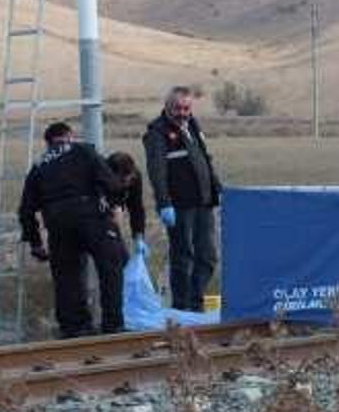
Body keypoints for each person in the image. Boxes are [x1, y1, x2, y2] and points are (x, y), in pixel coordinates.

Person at [18, 122, 131, 338]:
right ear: (69, 136)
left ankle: (75, 329)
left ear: (48, 143)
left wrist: (35, 243)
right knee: (111, 268)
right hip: (90, 216)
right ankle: (113, 325)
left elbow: (25, 210)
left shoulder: (38, 165)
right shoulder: (82, 150)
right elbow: (109, 181)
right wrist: (116, 205)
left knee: (66, 278)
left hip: (57, 224)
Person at [142, 86, 223, 312]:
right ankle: (181, 307)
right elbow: (157, 171)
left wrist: (218, 188)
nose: (182, 112)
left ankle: (195, 303)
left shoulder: (193, 126)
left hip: (203, 202)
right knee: (183, 256)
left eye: (186, 108)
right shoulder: (156, 133)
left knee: (207, 256)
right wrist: (164, 203)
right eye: (177, 107)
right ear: (167, 107)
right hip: (179, 205)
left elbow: (205, 160)